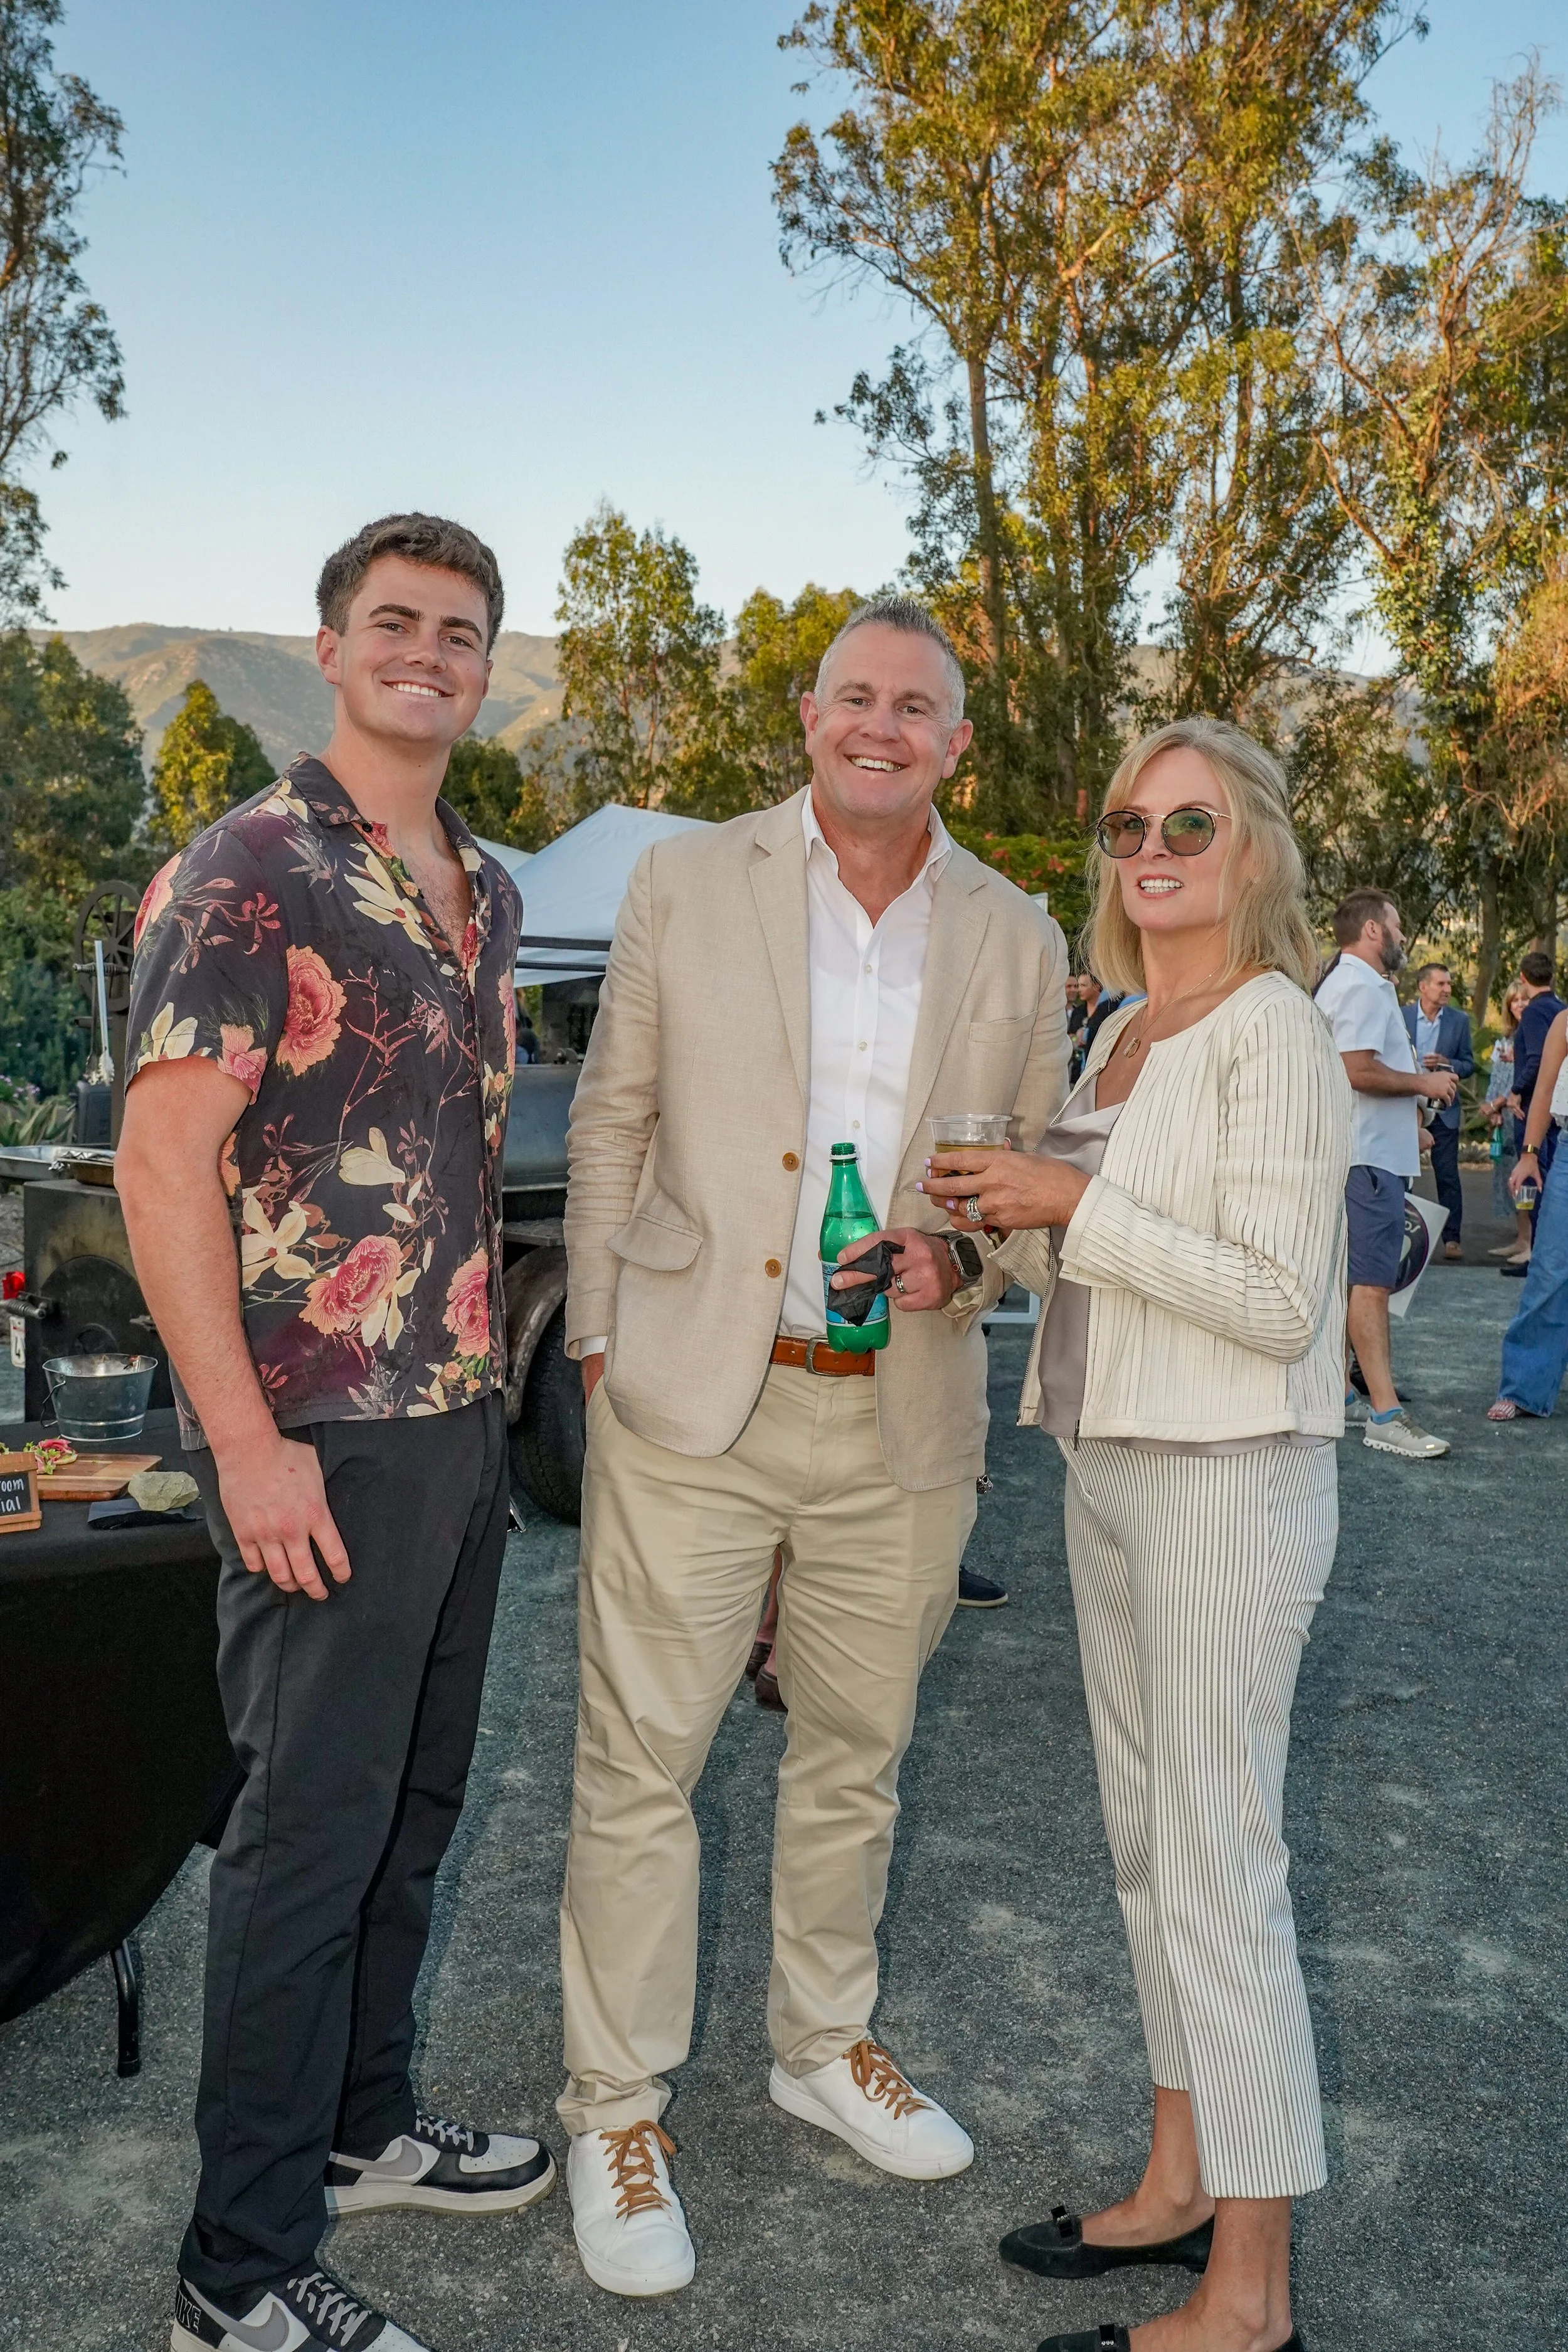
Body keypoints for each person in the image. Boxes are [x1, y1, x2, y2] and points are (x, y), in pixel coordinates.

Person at [556, 595, 1070, 2297]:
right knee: (645, 1765)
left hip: (899, 1402)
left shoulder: (1013, 928)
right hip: (696, 1391)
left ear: (954, 743)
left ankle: (817, 2038)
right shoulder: (683, 880)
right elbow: (613, 1112)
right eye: (853, 695)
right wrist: (600, 1335)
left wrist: (964, 1259)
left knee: (856, 1749)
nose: (880, 724)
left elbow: (1021, 1174)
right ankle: (613, 2104)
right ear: (806, 714)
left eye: (914, 705)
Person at [118, 515, 546, 2352]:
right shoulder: (250, 869)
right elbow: (160, 1163)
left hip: (456, 1429)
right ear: (329, 645)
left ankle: (365, 2122)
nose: (428, 653)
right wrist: (245, 1440)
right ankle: (237, 2261)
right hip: (314, 1437)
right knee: (303, 1839)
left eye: (460, 632)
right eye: (397, 622)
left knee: (410, 1808)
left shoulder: (486, 885)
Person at [919, 715, 1349, 2352]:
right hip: (1101, 1462)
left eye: (1191, 820)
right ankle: (1177, 2178)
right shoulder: (1114, 1032)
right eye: (1126, 824)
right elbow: (1094, 1268)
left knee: (1220, 1866)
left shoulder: (1272, 1030)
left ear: (1249, 848)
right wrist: (988, 1243)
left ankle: (1249, 2295)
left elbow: (1270, 1296)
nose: (1154, 847)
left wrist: (1068, 1203)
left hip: (1228, 1473)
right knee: (1143, 1847)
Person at [1314, 891, 1457, 1458]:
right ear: (1373, 930)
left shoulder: (1345, 983)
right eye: (1397, 928)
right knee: (1372, 1286)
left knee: (1351, 1283)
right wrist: (1424, 1086)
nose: (1403, 938)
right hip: (1365, 1160)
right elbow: (1356, 1069)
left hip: (1363, 1153)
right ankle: (1385, 1413)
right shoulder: (1363, 986)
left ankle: (1344, 1395)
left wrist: (1411, 1121)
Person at [1488, 1005, 1568, 1421]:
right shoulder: (1564, 1021)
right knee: (1551, 1270)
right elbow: (1544, 1089)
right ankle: (1524, 1388)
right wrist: (1530, 1155)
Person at [1401, 961, 1474, 1259]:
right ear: (1423, 987)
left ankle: (1452, 1239)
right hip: (1409, 1108)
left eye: (1449, 984)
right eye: (1441, 984)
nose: (1447, 990)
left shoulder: (1459, 1021)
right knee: (1404, 1175)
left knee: (1447, 1176)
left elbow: (1469, 1063)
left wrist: (1448, 1063)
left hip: (1444, 1110)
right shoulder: (1402, 1016)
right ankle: (1406, 1240)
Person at [1503, 949, 1565, 1263]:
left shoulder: (1536, 1013)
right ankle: (1530, 1247)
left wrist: (1515, 1091)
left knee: (1534, 1183)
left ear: (1523, 979)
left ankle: (1536, 1256)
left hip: (1533, 1114)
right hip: (1556, 1113)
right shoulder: (1560, 1009)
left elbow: (1539, 1061)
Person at [1484, 988, 1530, 1260]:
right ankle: (1521, 1237)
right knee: (1509, 1178)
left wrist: (1496, 1103)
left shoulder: (1538, 1036)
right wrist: (1492, 1109)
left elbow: (1525, 1076)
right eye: (1515, 1000)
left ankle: (1530, 1242)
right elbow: (1496, 1077)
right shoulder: (1504, 1040)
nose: (1520, 1004)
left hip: (1524, 1115)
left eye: (1525, 998)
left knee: (1528, 1180)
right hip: (1504, 1119)